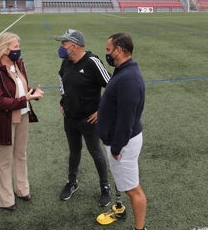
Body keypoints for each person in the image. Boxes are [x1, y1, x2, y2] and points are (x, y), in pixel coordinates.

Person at [0, 32, 44, 211]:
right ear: (4, 49)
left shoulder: (18, 64)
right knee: (5, 159)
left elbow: (20, 89)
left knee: (21, 154)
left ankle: (22, 189)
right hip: (4, 119)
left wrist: (32, 92)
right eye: (15, 47)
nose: (18, 50)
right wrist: (26, 100)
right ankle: (5, 198)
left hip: (22, 115)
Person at [54, 29, 112, 206]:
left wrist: (102, 110)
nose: (61, 47)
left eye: (64, 44)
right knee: (74, 151)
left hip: (89, 120)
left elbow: (111, 86)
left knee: (96, 152)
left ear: (75, 46)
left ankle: (105, 187)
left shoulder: (92, 62)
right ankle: (72, 183)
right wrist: (63, 100)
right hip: (70, 118)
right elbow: (62, 80)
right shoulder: (66, 63)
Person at [97, 32, 148, 230]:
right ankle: (121, 210)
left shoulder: (128, 79)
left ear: (119, 50)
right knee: (127, 186)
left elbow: (126, 119)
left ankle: (140, 228)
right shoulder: (122, 71)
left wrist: (117, 147)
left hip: (122, 143)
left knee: (133, 190)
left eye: (108, 50)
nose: (107, 54)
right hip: (117, 140)